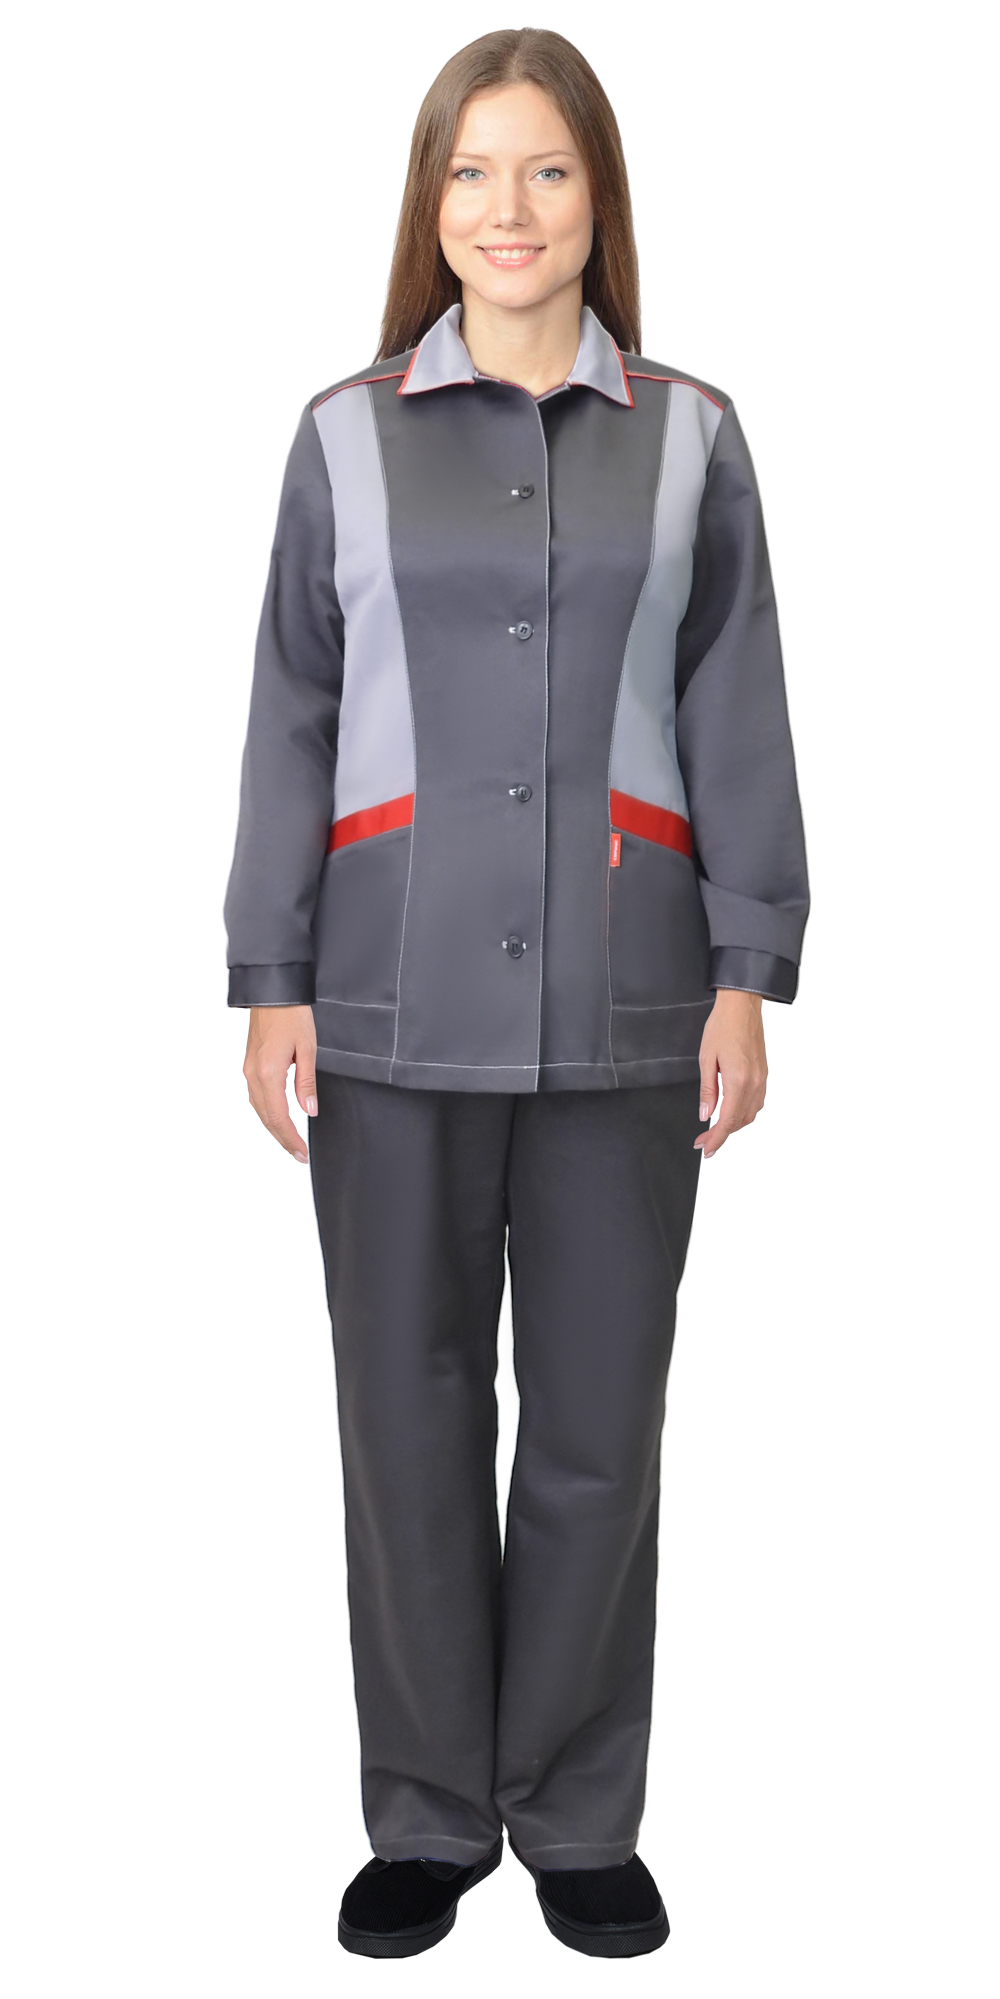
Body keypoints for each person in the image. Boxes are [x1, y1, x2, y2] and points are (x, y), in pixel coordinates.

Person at [223, 25, 809, 1961]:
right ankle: (421, 1818)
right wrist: (269, 974)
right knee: (400, 1420)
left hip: (629, 1007)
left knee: (595, 1425)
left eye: (545, 170)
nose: (508, 210)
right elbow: (291, 713)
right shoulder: (340, 436)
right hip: (384, 1004)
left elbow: (735, 708)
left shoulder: (694, 436)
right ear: (429, 204)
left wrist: (747, 969)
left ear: (597, 199)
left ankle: (571, 1816)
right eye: (471, 173)